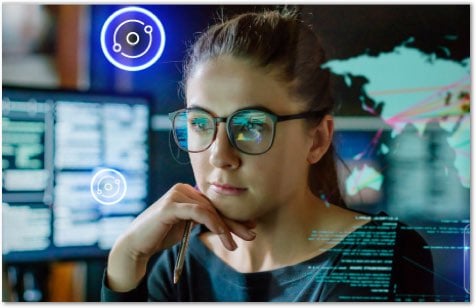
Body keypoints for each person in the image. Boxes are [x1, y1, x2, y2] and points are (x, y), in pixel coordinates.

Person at [101, 9, 434, 302]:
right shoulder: (179, 265)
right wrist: (125, 258)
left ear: (316, 139)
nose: (220, 156)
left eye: (251, 126)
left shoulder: (382, 258)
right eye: (200, 123)